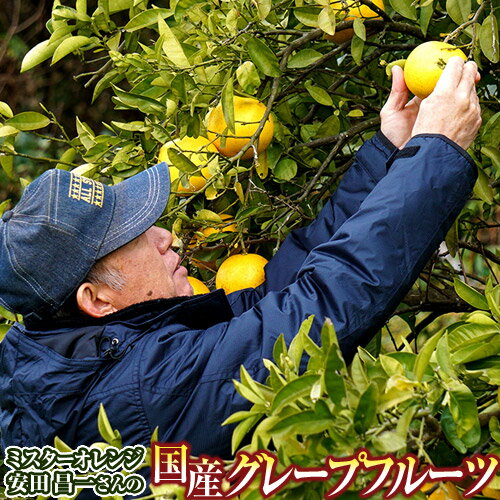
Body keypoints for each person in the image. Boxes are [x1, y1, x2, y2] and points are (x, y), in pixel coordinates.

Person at [0, 58, 481, 462]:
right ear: (97, 299)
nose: (165, 237)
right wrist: (435, 155)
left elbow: (277, 300)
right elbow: (322, 309)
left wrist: (394, 151)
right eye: (135, 237)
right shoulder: (141, 393)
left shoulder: (88, 353)